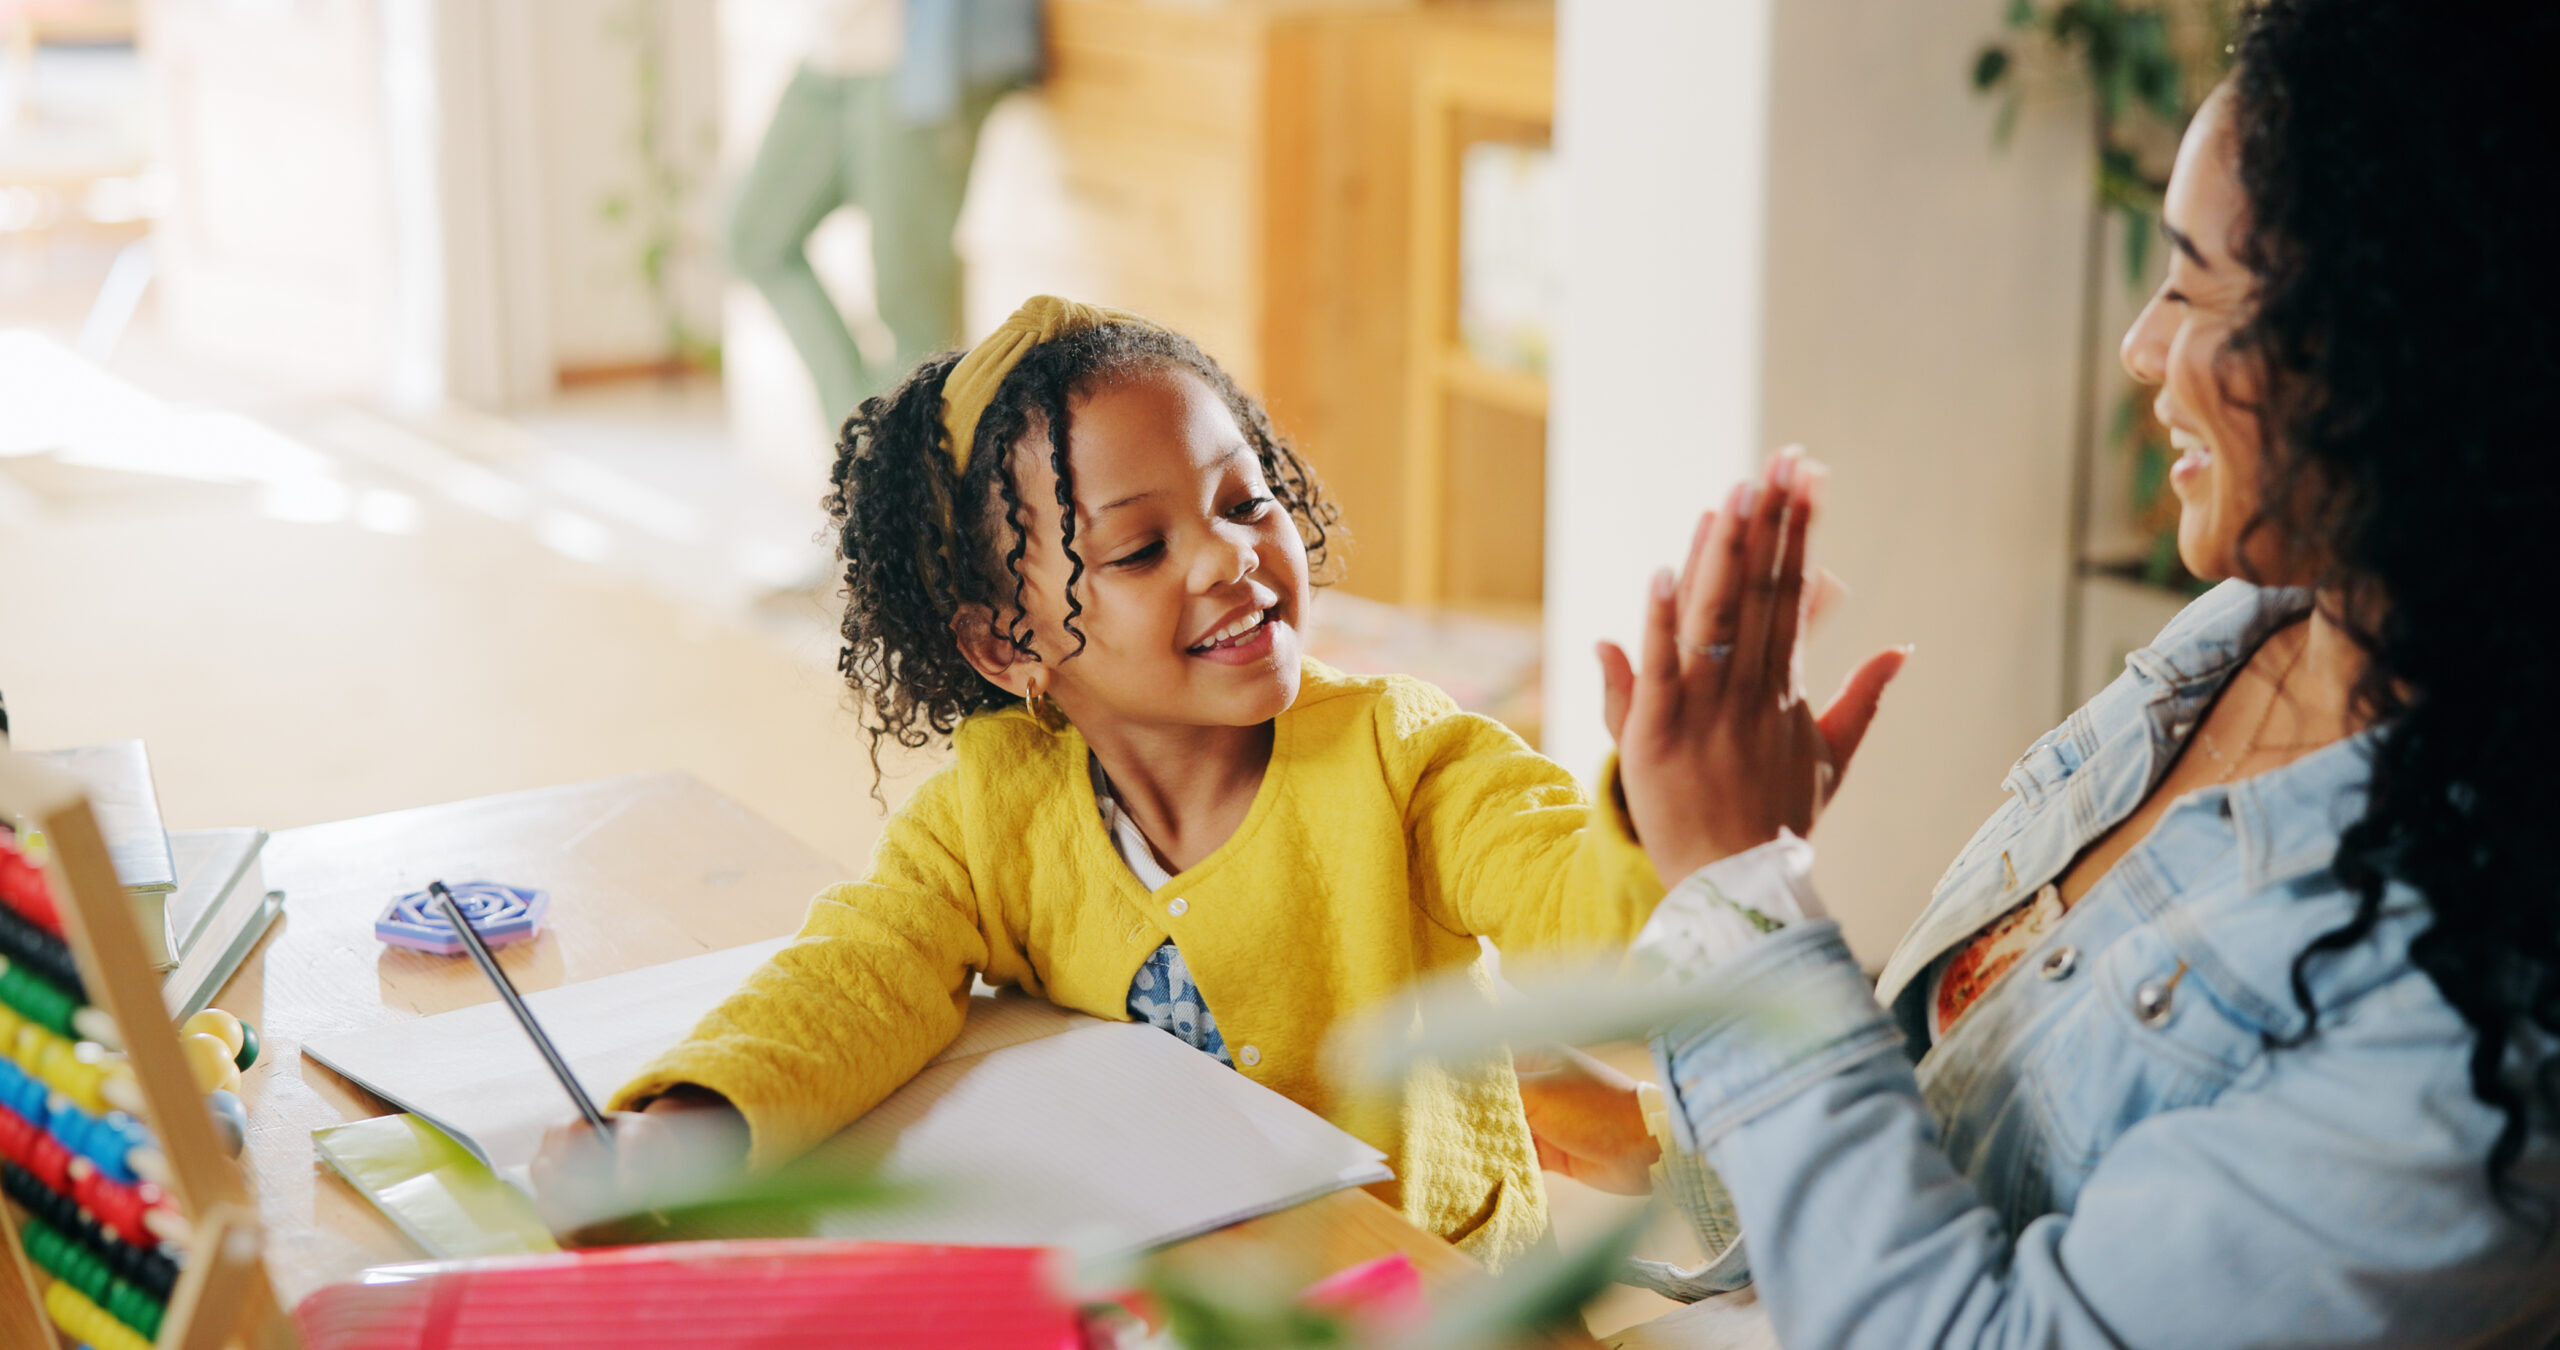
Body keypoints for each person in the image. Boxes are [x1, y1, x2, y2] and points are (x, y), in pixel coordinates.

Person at [1524, 2, 2560, 1343]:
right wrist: (1639, 1117)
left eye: (2190, 285)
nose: (2140, 346)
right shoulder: (2238, 639)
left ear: (2400, 347)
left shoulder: (2484, 1002)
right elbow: (1950, 1148)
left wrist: (1741, 890)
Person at [530, 296, 1886, 1267]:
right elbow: (857, 972)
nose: (1230, 558)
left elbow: (1581, 918)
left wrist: (1674, 828)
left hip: (1422, 1296)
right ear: (1010, 647)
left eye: (1248, 502)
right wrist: (692, 1119)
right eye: (1139, 549)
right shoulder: (997, 810)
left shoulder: (1404, 754)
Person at [727, 0, 1041, 423]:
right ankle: (866, 436)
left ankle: (915, 471)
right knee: (754, 238)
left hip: (922, 60)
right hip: (835, 50)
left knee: (910, 297)